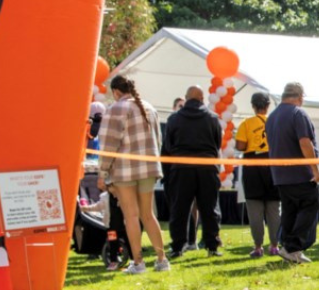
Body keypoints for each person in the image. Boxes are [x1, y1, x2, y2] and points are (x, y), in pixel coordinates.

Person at [96, 75, 170, 274]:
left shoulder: (116, 109)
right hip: (148, 167)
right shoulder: (149, 107)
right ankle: (162, 260)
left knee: (131, 216)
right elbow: (158, 140)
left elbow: (108, 144)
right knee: (148, 215)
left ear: (116, 91)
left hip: (124, 169)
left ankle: (138, 263)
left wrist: (102, 172)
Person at [161, 85, 225, 257]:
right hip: (207, 168)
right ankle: (212, 245)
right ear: (202, 99)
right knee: (209, 208)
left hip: (181, 169)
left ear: (186, 98)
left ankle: (177, 247)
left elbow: (167, 146)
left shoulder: (174, 119)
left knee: (179, 209)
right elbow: (217, 143)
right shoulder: (212, 118)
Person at [266, 82, 319, 264]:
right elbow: (305, 142)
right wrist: (315, 169)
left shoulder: (272, 117)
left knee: (290, 211)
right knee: (310, 205)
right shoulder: (298, 113)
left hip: (280, 174)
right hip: (300, 173)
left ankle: (289, 249)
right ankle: (292, 246)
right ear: (300, 97)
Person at [235, 92, 281, 258]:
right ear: (268, 106)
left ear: (253, 106)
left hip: (253, 166)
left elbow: (240, 146)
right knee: (274, 209)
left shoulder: (246, 123)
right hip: (272, 166)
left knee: (255, 209)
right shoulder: (275, 122)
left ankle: (258, 247)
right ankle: (275, 245)